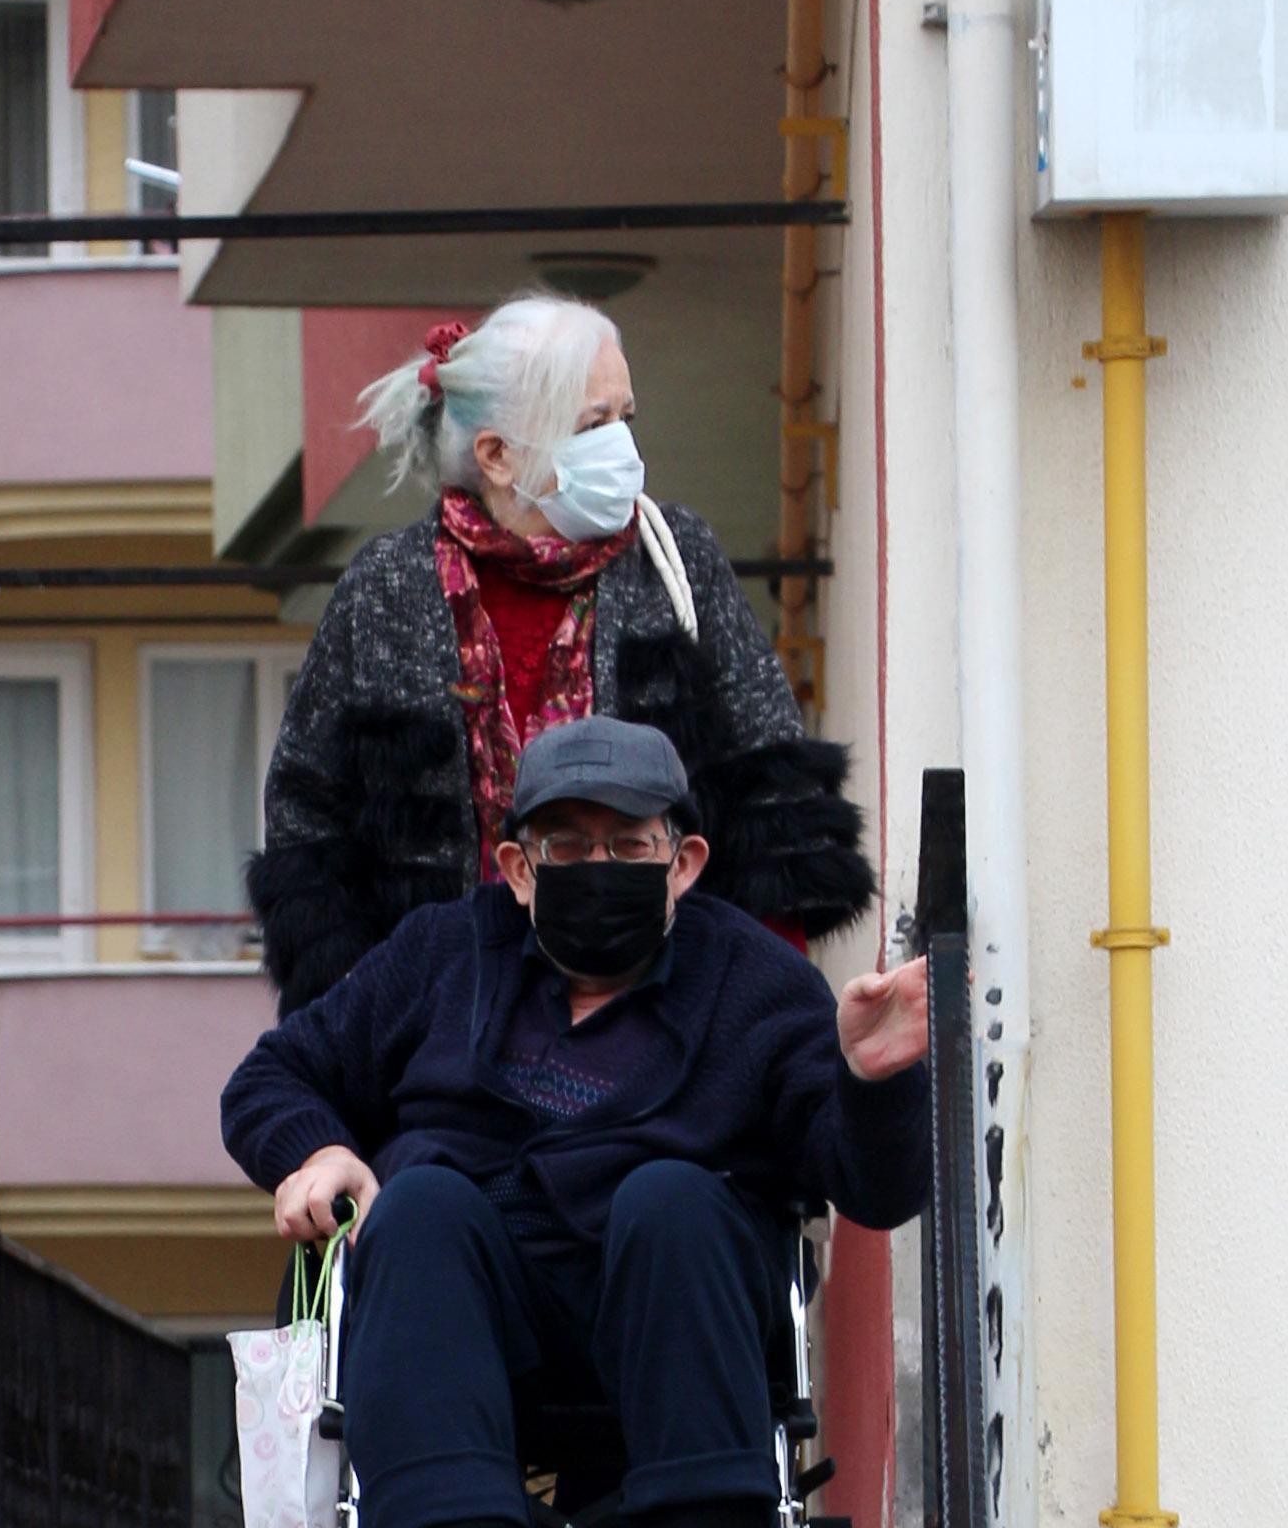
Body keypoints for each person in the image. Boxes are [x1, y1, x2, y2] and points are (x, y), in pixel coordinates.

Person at [218, 717, 929, 1528]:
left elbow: (872, 1187)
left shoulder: (755, 985)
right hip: (467, 1325)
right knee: (422, 1205)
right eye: (568, 849)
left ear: (682, 862)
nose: (598, 870)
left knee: (672, 1198)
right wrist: (314, 1151)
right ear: (515, 868)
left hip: (669, 1318)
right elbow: (271, 1076)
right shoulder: (439, 957)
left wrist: (875, 1086)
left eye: (628, 848)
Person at [247, 296, 877, 1012]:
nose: (622, 446)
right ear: (496, 456)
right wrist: (358, 1016)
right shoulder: (385, 589)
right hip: (442, 1029)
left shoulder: (674, 561)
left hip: (659, 1020)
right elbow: (308, 818)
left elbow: (768, 786)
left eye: (624, 418)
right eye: (591, 425)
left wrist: (758, 1013)